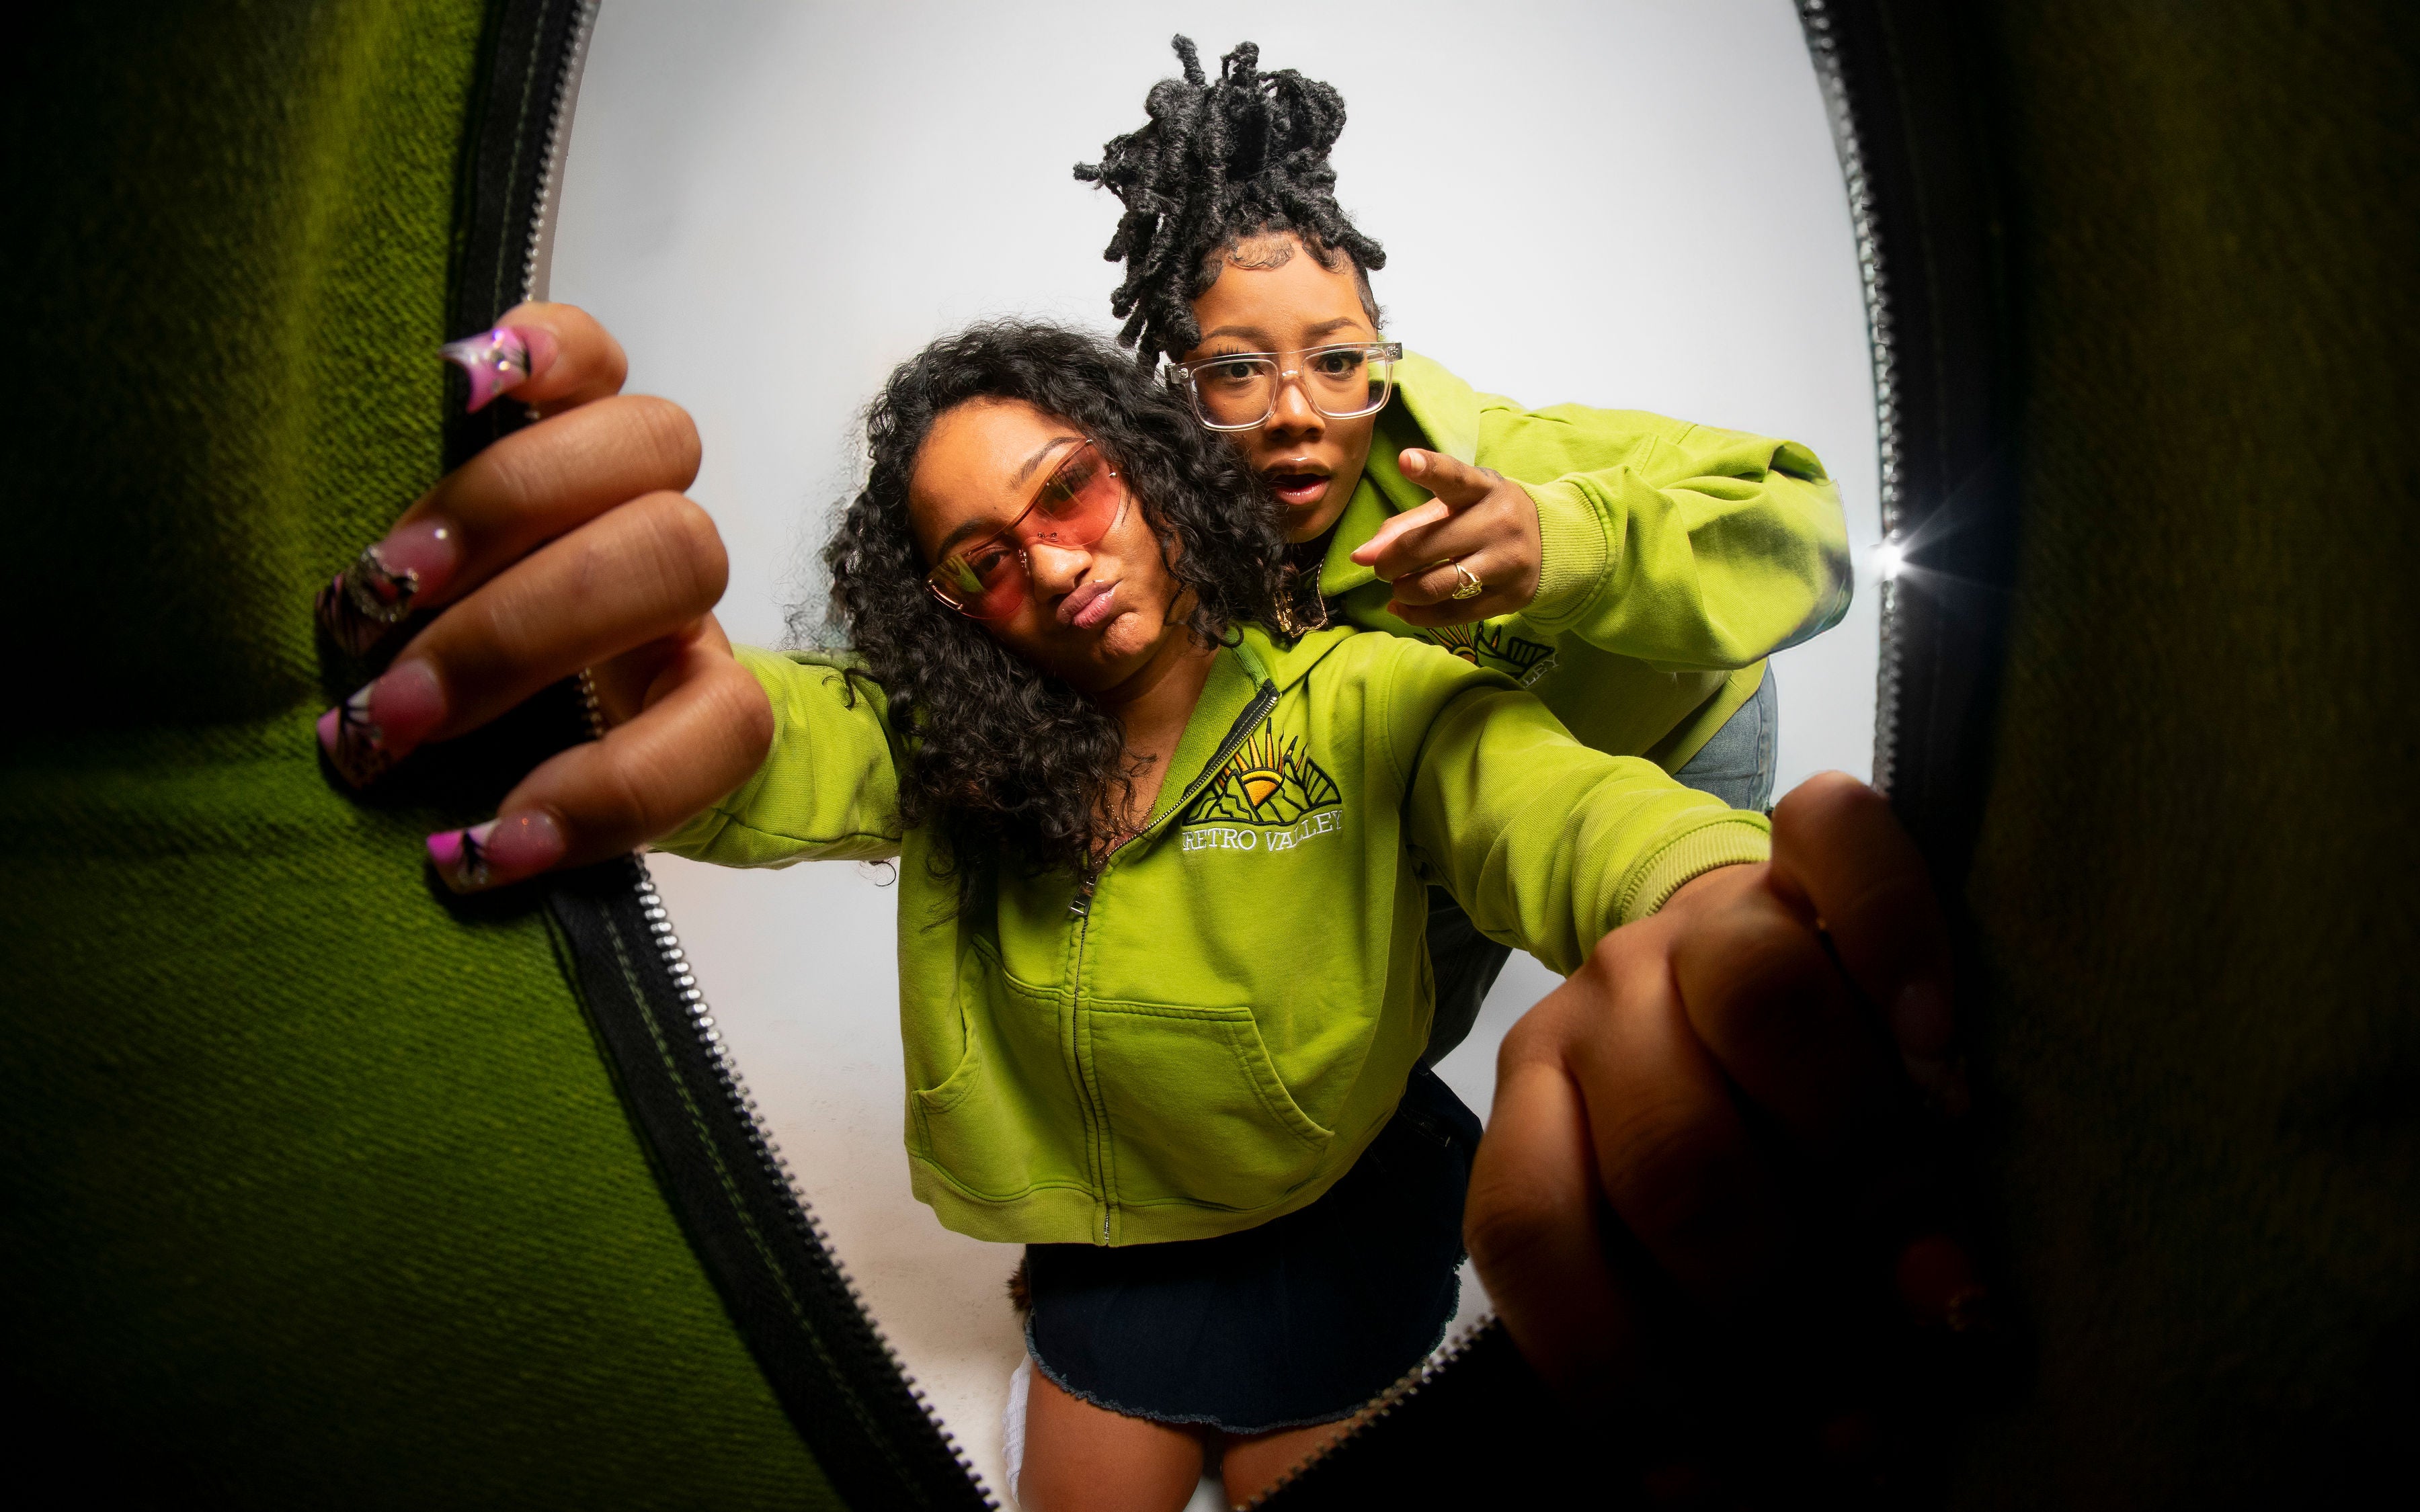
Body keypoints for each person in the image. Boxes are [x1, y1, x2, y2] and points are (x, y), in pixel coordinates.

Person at [316, 305, 1959, 1509]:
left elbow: (1574, 817)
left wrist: (1711, 899)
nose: (1045, 563)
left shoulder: (1369, 698)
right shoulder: (943, 746)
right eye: (980, 560)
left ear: (1159, 474)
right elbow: (767, 740)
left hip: (1342, 1235)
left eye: (1070, 493)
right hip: (1107, 1273)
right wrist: (627, 690)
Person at [1076, 38, 1857, 1065]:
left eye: (1338, 359)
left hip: (1675, 727)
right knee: (1395, 1042)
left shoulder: (1502, 458)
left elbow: (1812, 532)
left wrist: (1565, 545)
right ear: (1180, 384)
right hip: (1467, 776)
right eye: (1237, 370)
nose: (1297, 411)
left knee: (1696, 1016)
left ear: (1379, 360)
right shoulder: (1166, 530)